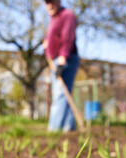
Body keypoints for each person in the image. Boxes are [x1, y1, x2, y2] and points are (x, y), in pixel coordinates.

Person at [43, 0, 80, 132]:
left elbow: (67, 37)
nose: (49, 5)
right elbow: (52, 37)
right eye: (46, 3)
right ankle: (69, 127)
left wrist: (63, 57)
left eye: (51, 2)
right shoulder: (53, 18)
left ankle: (54, 129)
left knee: (60, 94)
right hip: (55, 60)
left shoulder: (67, 15)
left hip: (65, 59)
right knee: (63, 93)